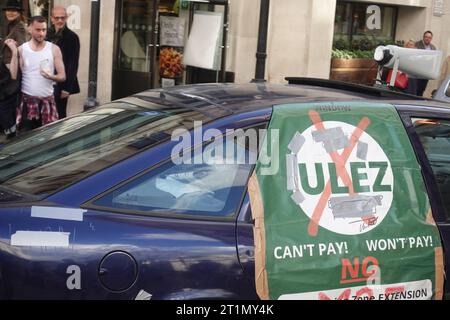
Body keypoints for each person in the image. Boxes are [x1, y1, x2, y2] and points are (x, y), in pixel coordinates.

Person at [14, 16, 66, 132]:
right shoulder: (22, 50)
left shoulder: (54, 49)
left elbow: (62, 76)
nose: (41, 33)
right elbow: (14, 74)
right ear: (29, 29)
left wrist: (51, 76)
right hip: (27, 103)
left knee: (48, 140)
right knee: (25, 140)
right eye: (38, 30)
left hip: (47, 102)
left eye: (44, 30)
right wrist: (13, 52)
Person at [46, 5, 80, 119]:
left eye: (62, 17)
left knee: (59, 115)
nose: (60, 20)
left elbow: (73, 64)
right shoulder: (46, 34)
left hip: (62, 84)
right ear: (51, 18)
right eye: (56, 18)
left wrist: (67, 88)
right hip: (46, 81)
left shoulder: (72, 37)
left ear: (66, 18)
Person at [0, 0, 27, 139]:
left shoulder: (20, 28)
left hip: (12, 71)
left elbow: (23, 49)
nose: (10, 12)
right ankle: (10, 132)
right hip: (5, 71)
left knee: (5, 106)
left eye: (14, 10)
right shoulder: (9, 26)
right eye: (8, 10)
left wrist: (13, 48)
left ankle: (12, 134)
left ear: (19, 13)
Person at [415, 31, 437, 96]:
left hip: (426, 73)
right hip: (417, 72)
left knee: (422, 89)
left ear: (431, 39)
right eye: (426, 37)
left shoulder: (433, 47)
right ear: (423, 37)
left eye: (429, 37)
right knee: (416, 89)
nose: (427, 39)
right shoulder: (417, 44)